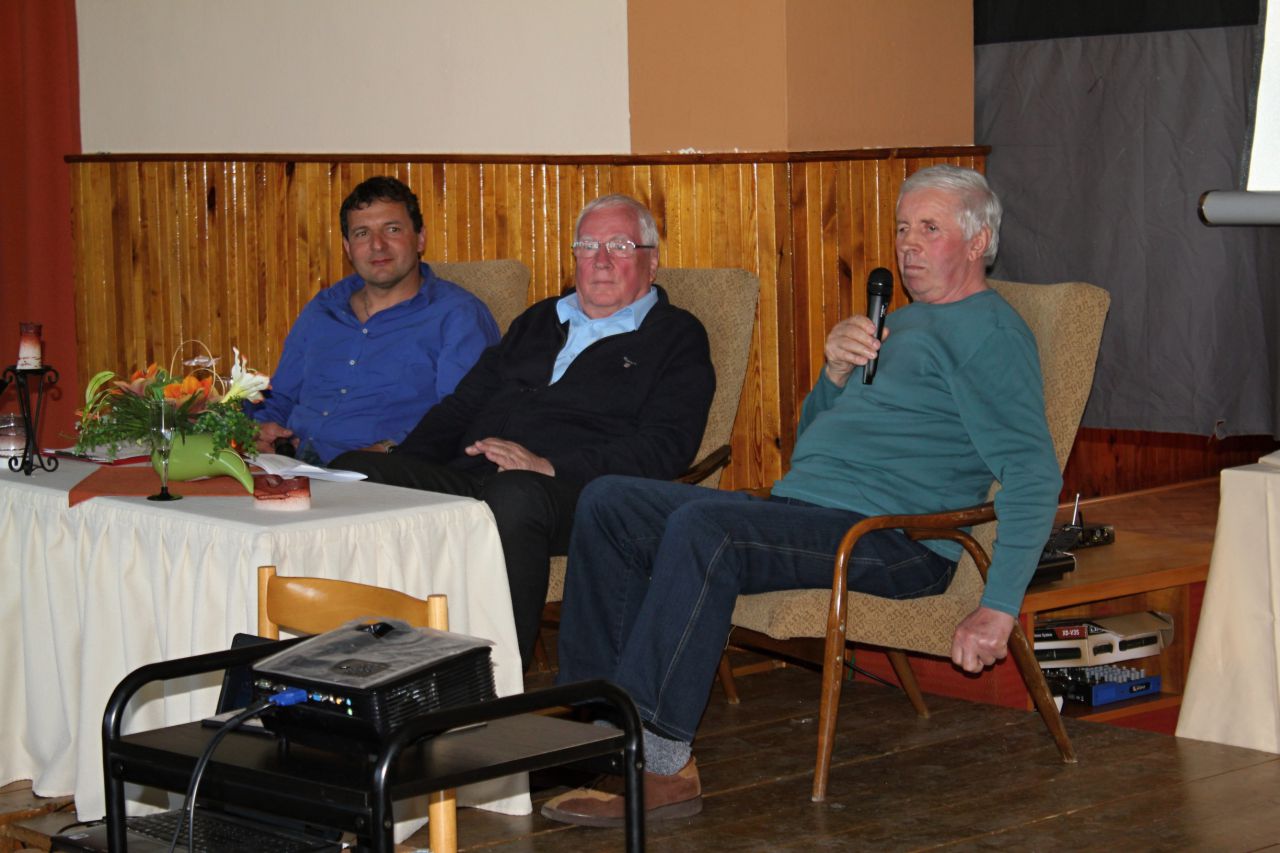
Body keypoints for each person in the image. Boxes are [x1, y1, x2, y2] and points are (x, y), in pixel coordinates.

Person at [544, 165, 1062, 826]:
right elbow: (813, 445)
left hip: (893, 539)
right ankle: (602, 733)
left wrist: (999, 607)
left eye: (929, 229)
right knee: (609, 501)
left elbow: (1033, 473)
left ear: (978, 240)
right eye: (903, 227)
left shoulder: (991, 334)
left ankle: (664, 765)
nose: (907, 244)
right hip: (806, 512)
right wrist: (834, 374)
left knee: (707, 528)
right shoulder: (894, 324)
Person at [332, 193, 716, 669]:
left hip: (577, 493)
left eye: (619, 246)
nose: (600, 259)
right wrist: (403, 461)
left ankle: (493, 675)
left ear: (651, 261)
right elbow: (461, 407)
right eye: (587, 245)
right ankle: (361, 663)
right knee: (354, 474)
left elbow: (666, 447)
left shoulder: (676, 336)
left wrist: (548, 466)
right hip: (473, 475)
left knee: (514, 494)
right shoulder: (538, 319)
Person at [249, 176, 499, 464]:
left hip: (386, 472)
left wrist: (388, 449)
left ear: (420, 238)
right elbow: (280, 395)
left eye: (392, 229)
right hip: (290, 466)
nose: (377, 245)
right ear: (348, 247)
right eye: (362, 233)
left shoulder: (458, 316)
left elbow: (462, 418)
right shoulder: (324, 307)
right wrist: (260, 429)